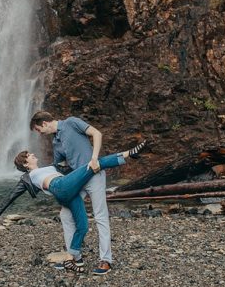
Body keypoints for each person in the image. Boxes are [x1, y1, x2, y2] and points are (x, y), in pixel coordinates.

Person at [12, 143, 142, 273]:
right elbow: (19, 190)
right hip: (60, 186)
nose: (33, 154)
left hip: (68, 192)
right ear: (25, 164)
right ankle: (130, 153)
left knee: (83, 226)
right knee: (96, 162)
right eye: (29, 156)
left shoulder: (48, 168)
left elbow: (66, 167)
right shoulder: (32, 175)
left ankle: (71, 259)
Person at [29, 111, 121, 275]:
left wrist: (94, 158)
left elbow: (96, 133)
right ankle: (73, 257)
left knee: (100, 215)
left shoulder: (71, 122)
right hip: (77, 181)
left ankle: (106, 260)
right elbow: (58, 168)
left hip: (94, 173)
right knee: (66, 214)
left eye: (38, 130)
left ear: (44, 123)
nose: (40, 134)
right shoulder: (56, 141)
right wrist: (34, 174)